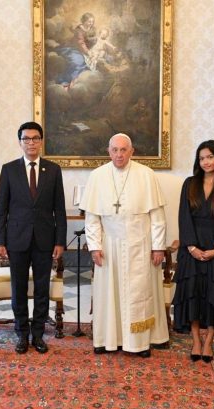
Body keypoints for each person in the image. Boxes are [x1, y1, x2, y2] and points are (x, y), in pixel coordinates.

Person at [79, 133, 170, 358]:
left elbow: (157, 216)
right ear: (108, 151)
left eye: (123, 150)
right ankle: (107, 340)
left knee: (140, 294)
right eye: (115, 150)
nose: (119, 154)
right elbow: (92, 218)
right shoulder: (97, 176)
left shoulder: (146, 174)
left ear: (132, 151)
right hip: (109, 246)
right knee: (108, 293)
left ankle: (139, 343)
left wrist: (158, 247)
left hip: (140, 245)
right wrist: (94, 246)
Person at [0, 122, 67, 355]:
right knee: (18, 288)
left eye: (35, 138)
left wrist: (60, 241)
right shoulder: (9, 170)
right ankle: (21, 334)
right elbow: (1, 208)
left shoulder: (53, 170)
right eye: (26, 139)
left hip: (45, 239)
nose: (31, 142)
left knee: (42, 289)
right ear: (20, 142)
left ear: (41, 141)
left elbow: (59, 209)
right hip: (16, 238)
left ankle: (38, 335)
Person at [173, 140, 214, 363]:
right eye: (202, 158)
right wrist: (191, 247)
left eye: (210, 157)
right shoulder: (189, 183)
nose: (206, 162)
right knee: (192, 293)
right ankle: (196, 340)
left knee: (213, 296)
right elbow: (183, 216)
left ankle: (209, 341)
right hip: (191, 245)